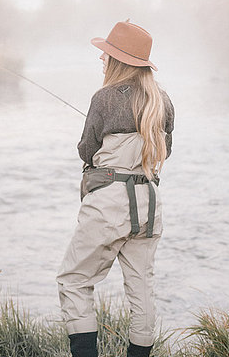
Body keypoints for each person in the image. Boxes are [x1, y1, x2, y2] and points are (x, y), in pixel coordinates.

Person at [56, 20, 175, 357]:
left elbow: (86, 150)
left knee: (74, 281)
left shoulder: (104, 98)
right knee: (142, 290)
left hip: (109, 203)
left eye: (106, 54)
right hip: (150, 204)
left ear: (119, 61)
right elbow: (167, 151)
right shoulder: (163, 102)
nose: (102, 59)